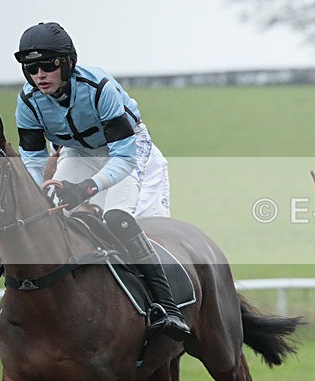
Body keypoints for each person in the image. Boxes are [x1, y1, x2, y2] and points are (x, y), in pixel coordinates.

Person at [13, 21, 189, 340]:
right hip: (78, 153)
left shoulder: (98, 87)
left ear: (68, 63)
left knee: (118, 219)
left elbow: (123, 156)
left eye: (48, 65)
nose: (40, 74)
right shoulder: (27, 102)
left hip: (128, 150)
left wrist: (87, 188)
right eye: (31, 67)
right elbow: (34, 162)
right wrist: (38, 196)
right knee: (48, 217)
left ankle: (169, 308)